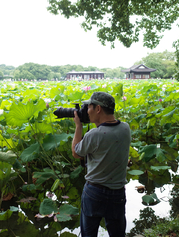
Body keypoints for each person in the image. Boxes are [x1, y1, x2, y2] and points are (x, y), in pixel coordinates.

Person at [71, 92, 131, 237]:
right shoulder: (125, 128)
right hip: (117, 192)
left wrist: (78, 126)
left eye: (89, 107)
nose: (86, 111)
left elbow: (76, 152)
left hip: (94, 193)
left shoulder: (94, 134)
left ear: (98, 109)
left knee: (89, 234)